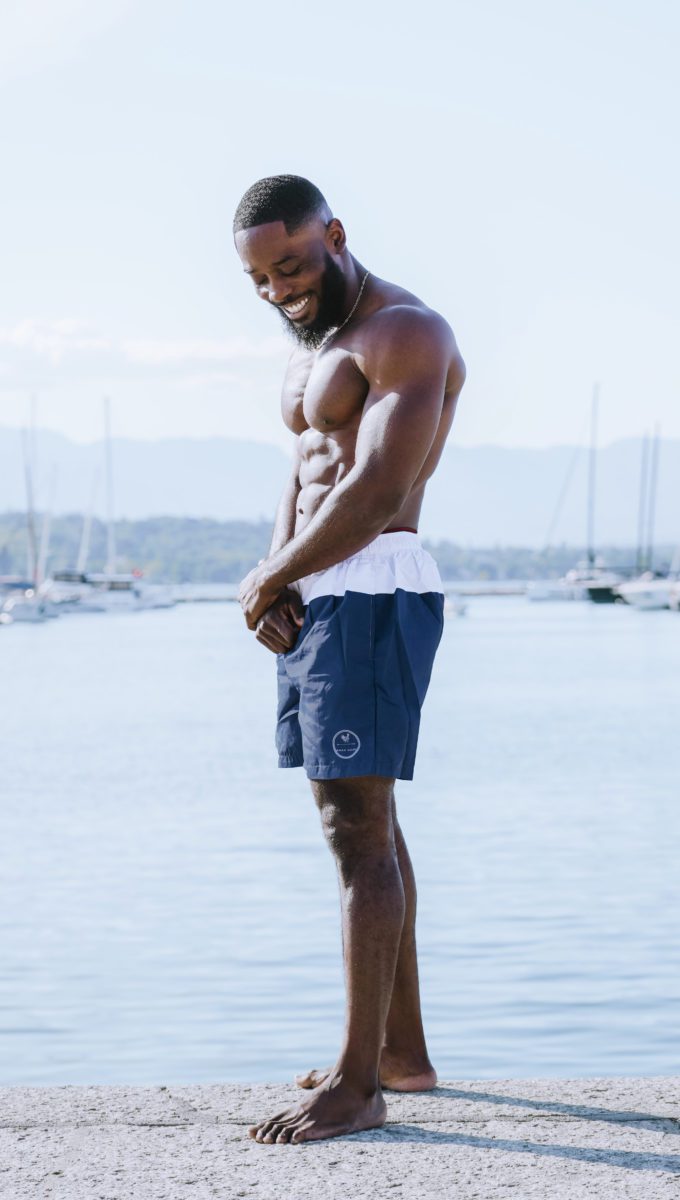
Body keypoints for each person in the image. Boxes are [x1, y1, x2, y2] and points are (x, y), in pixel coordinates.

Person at [234, 175, 466, 1145]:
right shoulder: (316, 347)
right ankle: (398, 1054)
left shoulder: (405, 331)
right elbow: (305, 472)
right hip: (318, 592)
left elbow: (375, 487)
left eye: (290, 266)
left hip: (371, 586)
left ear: (334, 234)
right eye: (260, 279)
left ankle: (357, 1084)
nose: (278, 290)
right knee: (369, 823)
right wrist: (276, 583)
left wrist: (268, 576)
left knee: (355, 833)